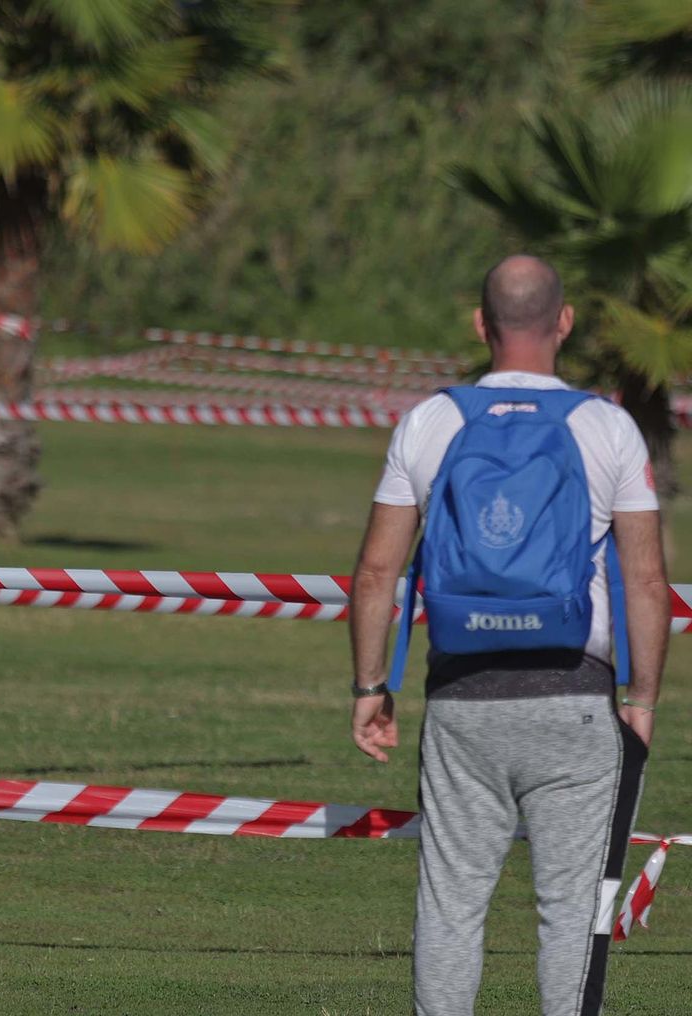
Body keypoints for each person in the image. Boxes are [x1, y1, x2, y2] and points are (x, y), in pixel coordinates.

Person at [348, 256, 669, 1015]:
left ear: (480, 325)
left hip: (462, 701)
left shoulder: (431, 421)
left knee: (452, 906)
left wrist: (371, 688)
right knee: (571, 916)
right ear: (563, 323)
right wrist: (643, 698)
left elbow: (374, 574)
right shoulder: (607, 427)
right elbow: (646, 583)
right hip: (576, 700)